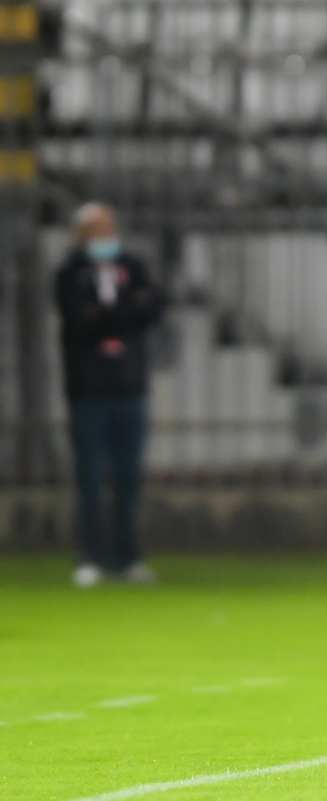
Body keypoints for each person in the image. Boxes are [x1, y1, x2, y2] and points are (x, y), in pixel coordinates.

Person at [54, 203, 165, 588]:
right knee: (90, 476)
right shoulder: (70, 272)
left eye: (107, 227)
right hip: (88, 389)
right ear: (81, 235)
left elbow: (151, 309)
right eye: (94, 229)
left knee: (128, 477)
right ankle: (90, 556)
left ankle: (126, 556)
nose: (103, 235)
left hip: (130, 386)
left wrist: (109, 313)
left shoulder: (133, 266)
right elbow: (79, 320)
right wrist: (121, 311)